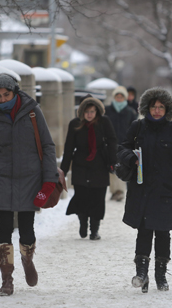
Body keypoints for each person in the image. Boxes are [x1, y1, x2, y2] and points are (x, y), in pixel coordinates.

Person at [0, 73, 59, 296]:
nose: (1, 99)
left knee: (27, 228)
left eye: (6, 94)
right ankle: (6, 279)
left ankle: (27, 261)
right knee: (5, 228)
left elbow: (47, 145)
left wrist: (49, 182)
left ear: (14, 91)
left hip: (30, 177)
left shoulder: (31, 111)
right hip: (2, 177)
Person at [117, 87, 172, 293]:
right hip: (142, 187)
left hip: (167, 188)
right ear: (146, 108)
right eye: (153, 107)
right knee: (143, 230)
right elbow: (122, 147)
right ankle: (141, 273)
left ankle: (160, 274)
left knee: (162, 232)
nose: (157, 111)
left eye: (161, 107)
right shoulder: (138, 127)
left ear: (167, 109)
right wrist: (130, 157)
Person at [60, 95, 117, 240]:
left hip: (100, 164)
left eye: (92, 111)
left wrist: (112, 162)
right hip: (81, 165)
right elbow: (68, 148)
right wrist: (63, 170)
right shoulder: (75, 124)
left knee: (98, 198)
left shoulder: (104, 122)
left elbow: (112, 142)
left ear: (97, 111)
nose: (89, 114)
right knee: (82, 197)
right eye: (86, 112)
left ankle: (94, 230)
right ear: (81, 112)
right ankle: (83, 223)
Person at [105, 86, 138, 201]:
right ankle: (115, 191)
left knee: (123, 166)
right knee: (112, 167)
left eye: (121, 97)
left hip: (125, 144)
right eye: (117, 97)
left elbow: (134, 128)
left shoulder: (130, 112)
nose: (119, 99)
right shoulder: (108, 110)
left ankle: (120, 191)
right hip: (110, 143)